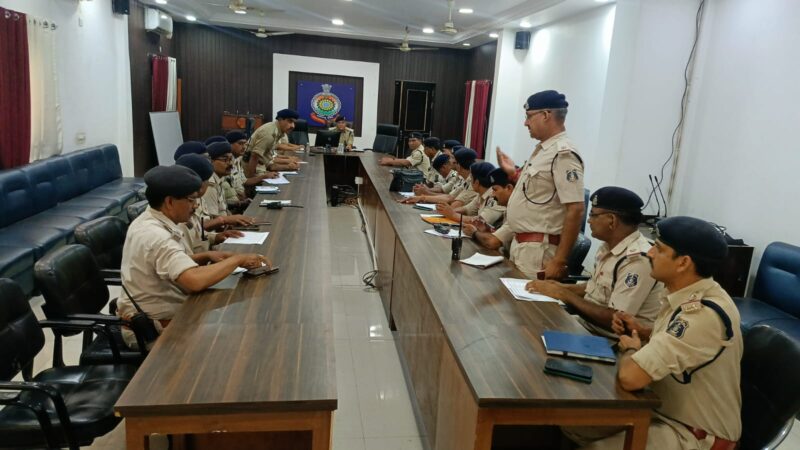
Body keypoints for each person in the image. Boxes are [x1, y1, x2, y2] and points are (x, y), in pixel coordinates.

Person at [565, 216, 742, 450]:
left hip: (693, 433)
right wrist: (644, 332)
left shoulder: (702, 314)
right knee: (570, 422)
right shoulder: (686, 293)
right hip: (660, 409)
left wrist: (630, 349)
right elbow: (680, 344)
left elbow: (631, 377)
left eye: (658, 249)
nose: (649, 254)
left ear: (683, 263)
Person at [116, 165, 269, 350]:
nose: (195, 205)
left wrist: (206, 255)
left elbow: (168, 265)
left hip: (172, 315)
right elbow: (194, 281)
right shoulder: (156, 236)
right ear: (169, 202)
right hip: (155, 330)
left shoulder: (151, 220)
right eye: (191, 200)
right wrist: (237, 260)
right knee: (237, 343)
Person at [472, 90, 585, 279]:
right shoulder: (543, 150)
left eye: (529, 116)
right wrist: (513, 174)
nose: (525, 123)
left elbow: (576, 208)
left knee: (525, 299)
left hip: (538, 251)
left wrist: (559, 260)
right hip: (522, 245)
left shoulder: (563, 154)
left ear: (546, 115)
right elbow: (538, 192)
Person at [525, 187, 663, 338]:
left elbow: (615, 321)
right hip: (586, 326)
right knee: (530, 322)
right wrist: (558, 287)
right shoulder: (608, 247)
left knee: (533, 336)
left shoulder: (637, 261)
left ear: (611, 220)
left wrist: (563, 294)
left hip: (609, 340)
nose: (589, 220)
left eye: (593, 215)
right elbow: (595, 289)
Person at [175, 154, 242, 253]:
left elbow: (199, 234)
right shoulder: (181, 207)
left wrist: (217, 237)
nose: (195, 205)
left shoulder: (197, 198)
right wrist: (223, 220)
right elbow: (186, 257)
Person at [201, 141, 256, 230]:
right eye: (225, 160)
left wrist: (239, 206)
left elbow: (224, 210)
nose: (230, 164)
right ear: (211, 161)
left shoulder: (220, 179)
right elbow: (213, 222)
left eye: (231, 159)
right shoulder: (209, 186)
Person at [436, 162, 506, 229]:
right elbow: (467, 209)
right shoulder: (481, 194)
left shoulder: (496, 197)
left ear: (476, 182)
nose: (469, 181)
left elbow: (480, 222)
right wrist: (448, 210)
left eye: (471, 178)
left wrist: (452, 214)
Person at [401, 147, 475, 206]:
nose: (451, 162)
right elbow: (449, 196)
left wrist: (424, 194)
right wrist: (422, 196)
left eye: (453, 160)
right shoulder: (463, 179)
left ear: (459, 165)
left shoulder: (471, 181)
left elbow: (451, 201)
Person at [245, 108, 302, 176]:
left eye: (294, 123)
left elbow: (270, 163)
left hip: (260, 166)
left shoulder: (278, 131)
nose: (293, 126)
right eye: (290, 121)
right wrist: (252, 178)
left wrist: (288, 167)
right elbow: (254, 156)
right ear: (280, 119)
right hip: (249, 168)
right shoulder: (269, 133)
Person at [462, 168, 515, 235]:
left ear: (509, 188)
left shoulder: (516, 211)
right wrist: (488, 230)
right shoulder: (508, 206)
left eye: (495, 190)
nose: (492, 194)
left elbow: (494, 240)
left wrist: (475, 233)